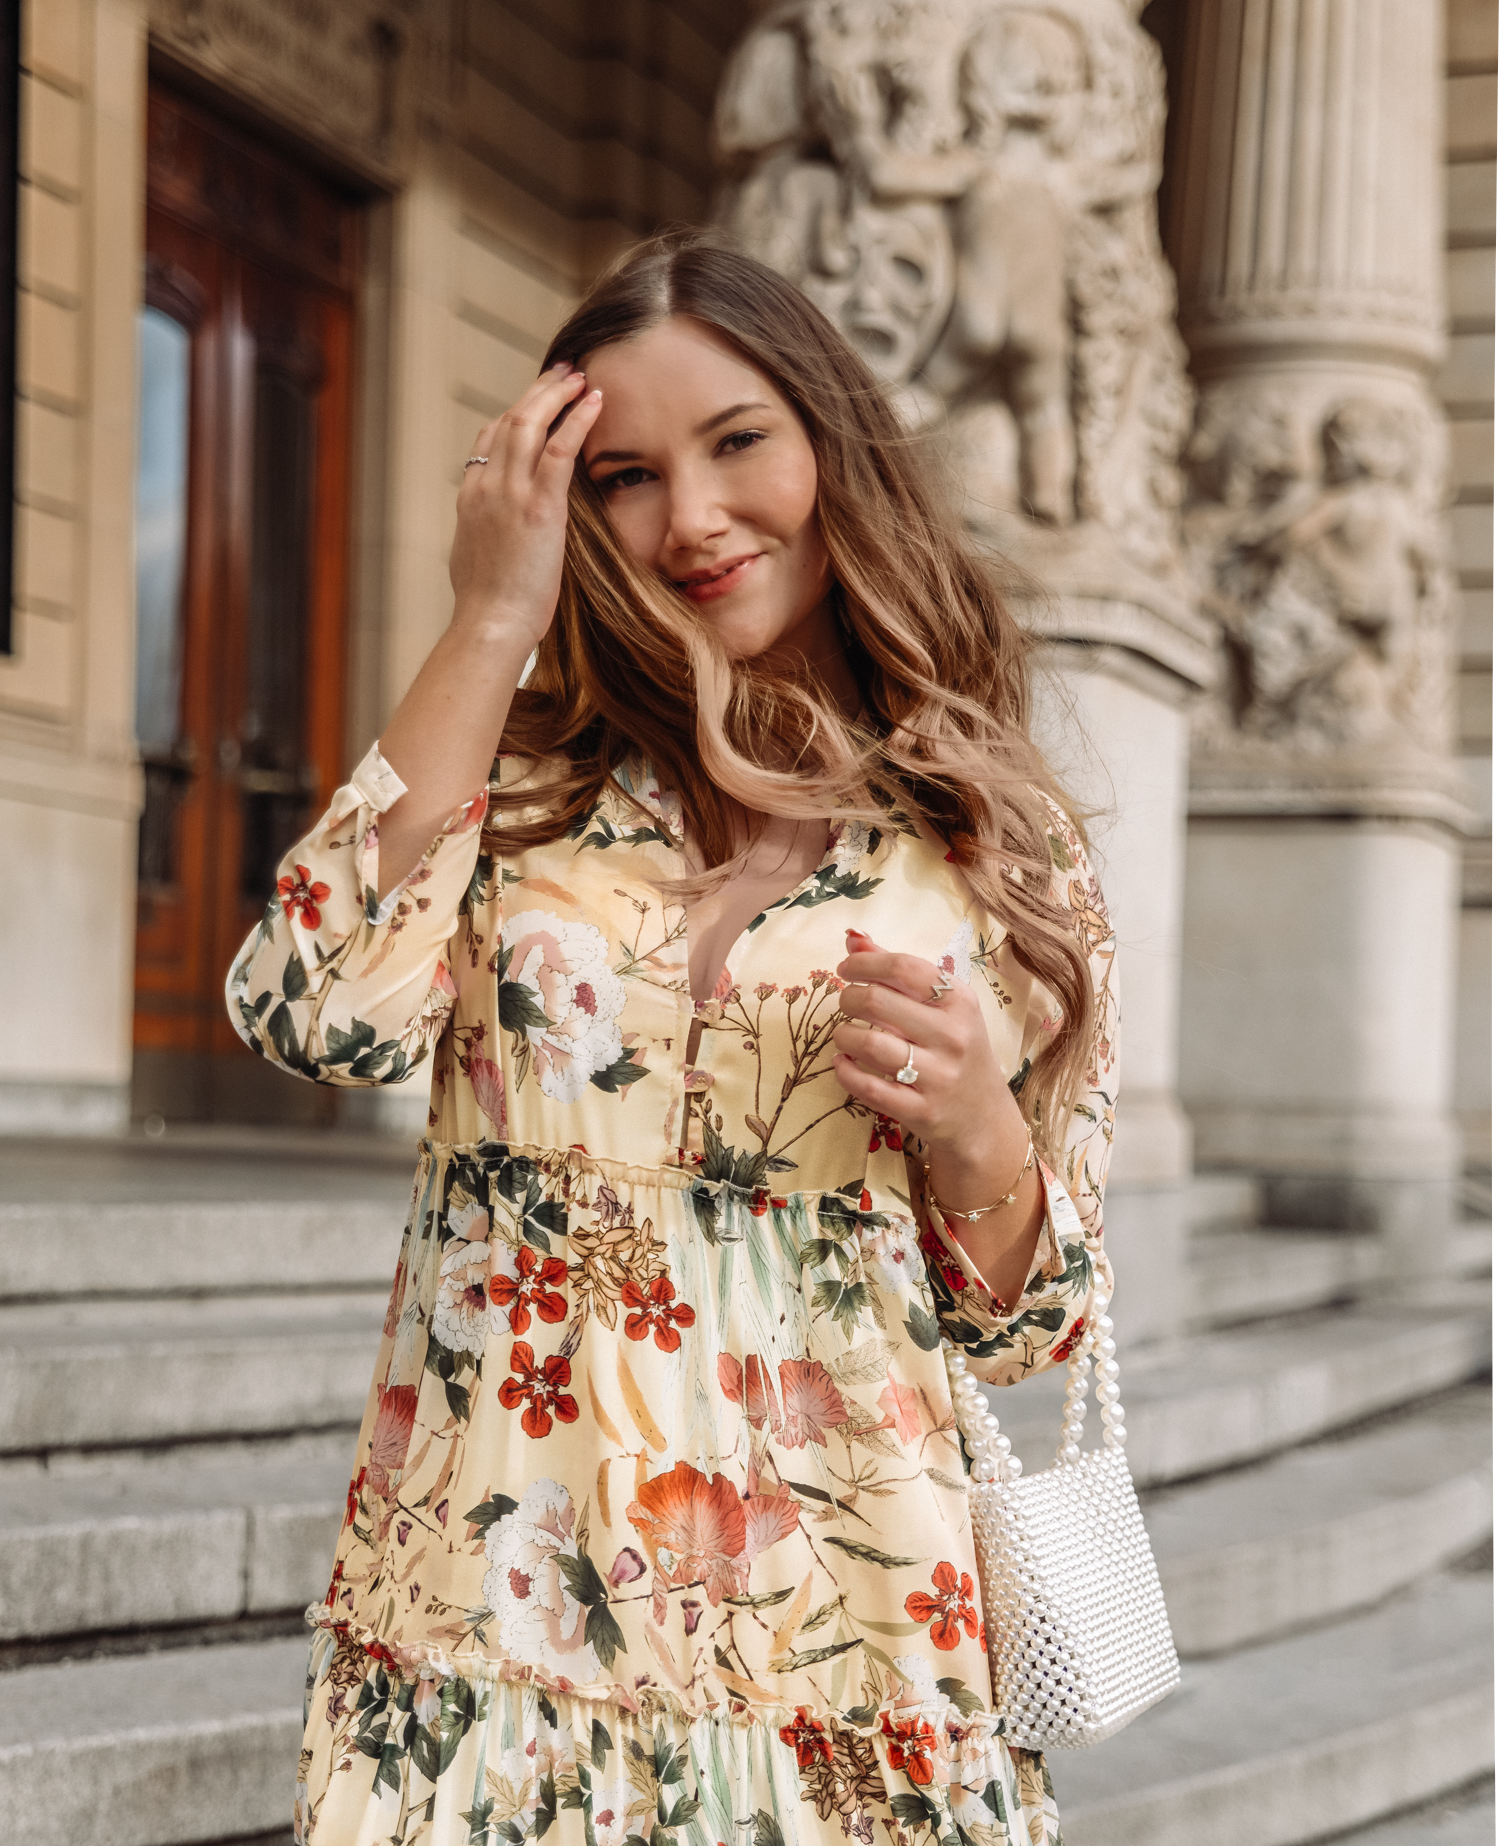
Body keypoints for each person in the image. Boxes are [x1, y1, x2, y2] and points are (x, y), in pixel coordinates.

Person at [227, 232, 1118, 1846]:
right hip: (487, 1608)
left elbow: (1030, 1327)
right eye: (624, 475)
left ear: (831, 445)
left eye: (737, 444)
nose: (691, 520)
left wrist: (982, 1125)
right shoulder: (522, 789)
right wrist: (494, 616)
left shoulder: (991, 842)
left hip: (841, 1641)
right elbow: (315, 1013)